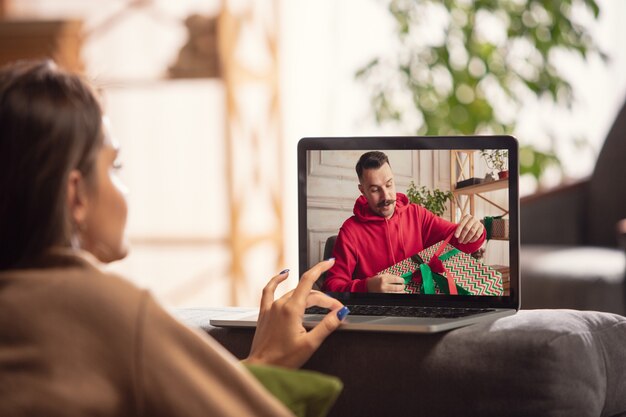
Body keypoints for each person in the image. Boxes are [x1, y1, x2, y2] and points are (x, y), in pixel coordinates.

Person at [0, 60, 350, 417]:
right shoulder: (109, 310)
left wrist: (256, 363)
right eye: (114, 167)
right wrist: (264, 364)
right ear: (76, 195)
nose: (125, 188)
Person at [323, 151, 486, 293]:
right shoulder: (350, 230)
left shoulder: (417, 214)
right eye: (374, 190)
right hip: (377, 314)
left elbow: (463, 243)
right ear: (363, 191)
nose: (386, 196)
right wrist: (367, 287)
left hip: (420, 306)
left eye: (389, 184)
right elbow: (332, 286)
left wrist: (477, 232)